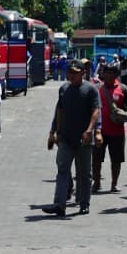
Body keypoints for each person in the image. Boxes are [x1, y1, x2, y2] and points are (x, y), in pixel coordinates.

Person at [44, 59, 101, 216]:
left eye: (75, 73)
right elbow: (60, 111)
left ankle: (84, 203)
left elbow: (96, 111)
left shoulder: (90, 90)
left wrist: (91, 130)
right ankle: (59, 204)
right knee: (62, 170)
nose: (71, 75)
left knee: (84, 174)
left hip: (84, 139)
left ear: (82, 73)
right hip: (66, 138)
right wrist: (56, 132)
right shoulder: (64, 89)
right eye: (70, 72)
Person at [94, 63, 127, 193]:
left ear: (116, 74)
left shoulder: (123, 89)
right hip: (100, 131)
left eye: (111, 72)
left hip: (117, 131)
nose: (108, 75)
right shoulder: (97, 88)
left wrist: (122, 114)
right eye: (106, 72)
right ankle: (96, 182)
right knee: (97, 158)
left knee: (117, 159)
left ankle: (114, 184)